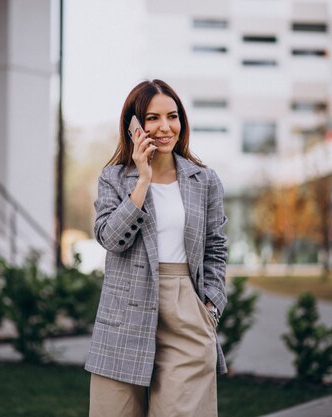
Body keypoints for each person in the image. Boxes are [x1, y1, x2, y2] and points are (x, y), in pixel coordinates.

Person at [85, 79, 228, 417]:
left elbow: (216, 248)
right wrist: (143, 179)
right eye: (152, 118)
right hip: (124, 312)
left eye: (172, 116)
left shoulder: (205, 180)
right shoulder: (114, 178)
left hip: (186, 311)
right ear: (134, 126)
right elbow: (110, 238)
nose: (165, 127)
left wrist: (211, 305)